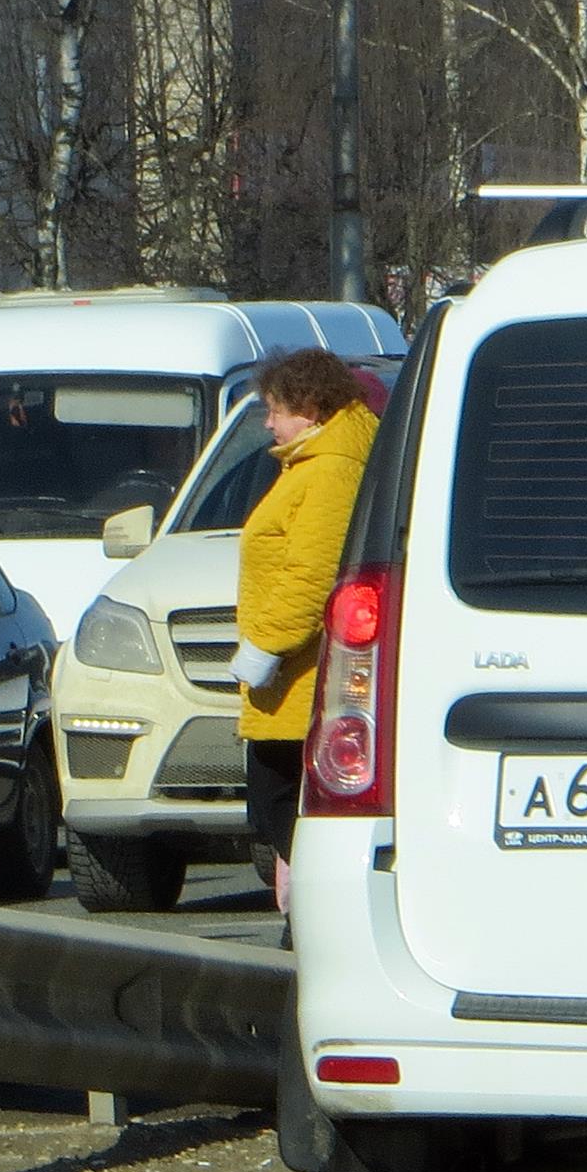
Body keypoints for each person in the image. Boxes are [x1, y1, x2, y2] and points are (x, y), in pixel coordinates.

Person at [228, 349, 382, 920]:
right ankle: (305, 916)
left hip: (302, 674)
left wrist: (265, 645)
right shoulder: (315, 463)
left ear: (311, 408)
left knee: (280, 803)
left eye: (276, 410)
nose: (268, 423)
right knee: (283, 805)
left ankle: (318, 918)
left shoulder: (330, 469)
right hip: (296, 674)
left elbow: (312, 573)